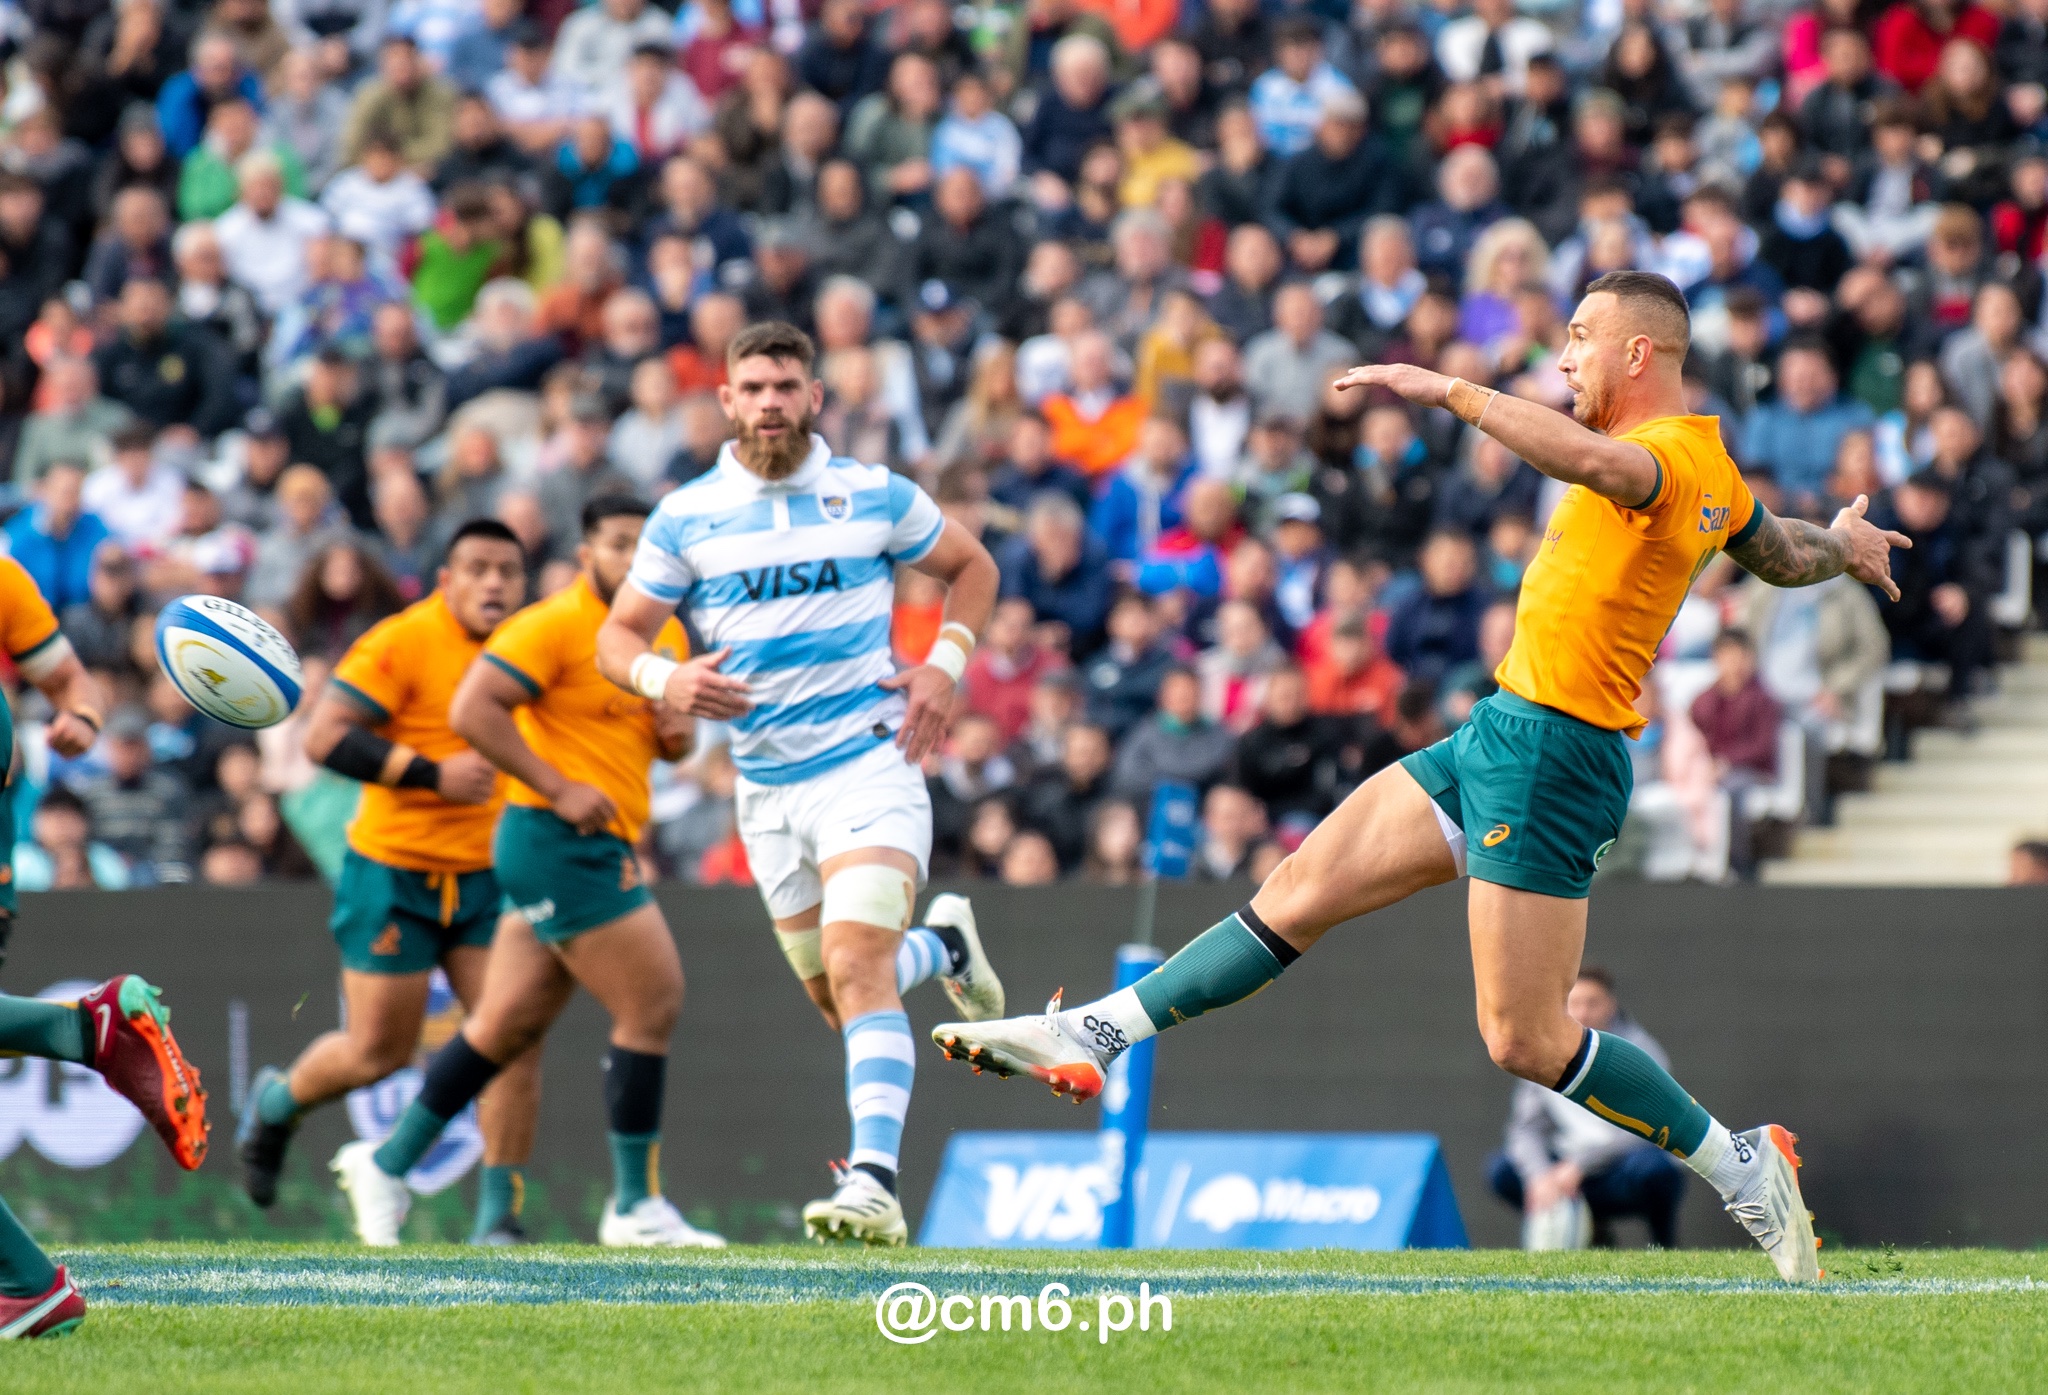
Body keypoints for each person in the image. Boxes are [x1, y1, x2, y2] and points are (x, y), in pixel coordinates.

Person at [932, 271, 1914, 1286]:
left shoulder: (1659, 457)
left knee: (1523, 1040)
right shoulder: (1712, 466)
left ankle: (1741, 1162)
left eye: (1579, 337)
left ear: (1638, 352)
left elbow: (1592, 463)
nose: (1563, 354)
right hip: (1501, 730)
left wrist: (1450, 392)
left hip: (1556, 756)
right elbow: (1777, 550)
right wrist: (1838, 544)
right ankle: (1096, 1031)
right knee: (1292, 898)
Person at [594, 321, 1007, 1245]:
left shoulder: (870, 494)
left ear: (816, 397)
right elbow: (616, 638)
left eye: (787, 384)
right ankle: (942, 948)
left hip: (868, 763)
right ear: (727, 402)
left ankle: (872, 1184)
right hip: (765, 789)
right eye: (754, 387)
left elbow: (972, 566)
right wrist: (669, 677)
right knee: (840, 996)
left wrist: (944, 663)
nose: (771, 401)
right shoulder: (686, 515)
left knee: (858, 968)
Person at [332, 496, 722, 1248]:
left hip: (592, 837)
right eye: (617, 543)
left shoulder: (665, 632)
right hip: (555, 837)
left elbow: (661, 744)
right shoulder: (552, 625)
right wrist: (556, 785)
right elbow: (473, 710)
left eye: (646, 546)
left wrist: (676, 735)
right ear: (586, 555)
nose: (633, 558)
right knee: (654, 998)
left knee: (505, 1025)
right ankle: (636, 1204)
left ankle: (389, 1160)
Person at [235, 521, 543, 1248]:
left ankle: (497, 1220)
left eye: (508, 569)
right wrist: (432, 774)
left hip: (489, 873)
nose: (494, 583)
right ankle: (277, 1103)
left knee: (514, 1035)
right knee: (380, 1052)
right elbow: (323, 738)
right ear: (446, 578)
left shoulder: (533, 643)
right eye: (478, 567)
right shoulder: (402, 641)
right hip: (393, 868)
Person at [1488, 968, 1690, 1249]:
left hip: (1620, 1167)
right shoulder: (1546, 1053)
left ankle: (1663, 1245)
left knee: (1656, 1170)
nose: (1583, 1012)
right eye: (1575, 1003)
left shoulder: (1638, 1052)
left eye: (1592, 1003)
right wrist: (1540, 1176)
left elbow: (1652, 1126)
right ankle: (1585, 1231)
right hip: (1568, 1174)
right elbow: (1526, 1129)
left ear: (1611, 1004)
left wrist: (1581, 1164)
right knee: (1503, 1170)